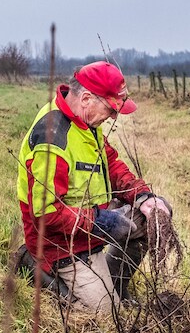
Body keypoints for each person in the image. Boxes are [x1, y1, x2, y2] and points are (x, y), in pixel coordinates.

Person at [15, 61, 172, 314]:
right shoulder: (52, 140)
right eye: (111, 109)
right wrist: (103, 222)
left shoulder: (85, 122)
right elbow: (45, 214)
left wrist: (142, 197)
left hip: (90, 226)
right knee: (105, 315)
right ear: (87, 98)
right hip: (59, 244)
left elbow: (110, 163)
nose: (113, 116)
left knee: (154, 216)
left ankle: (116, 288)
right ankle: (33, 267)